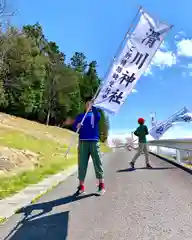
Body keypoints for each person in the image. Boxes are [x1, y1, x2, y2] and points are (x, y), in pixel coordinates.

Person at [64, 97, 105, 195]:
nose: (89, 105)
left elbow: (98, 118)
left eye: (91, 104)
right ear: (85, 105)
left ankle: (101, 185)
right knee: (82, 164)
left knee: (97, 162)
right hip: (83, 142)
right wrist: (76, 126)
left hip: (94, 141)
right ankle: (81, 186)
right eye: (87, 104)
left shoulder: (95, 114)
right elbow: (75, 127)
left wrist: (94, 107)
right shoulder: (80, 116)